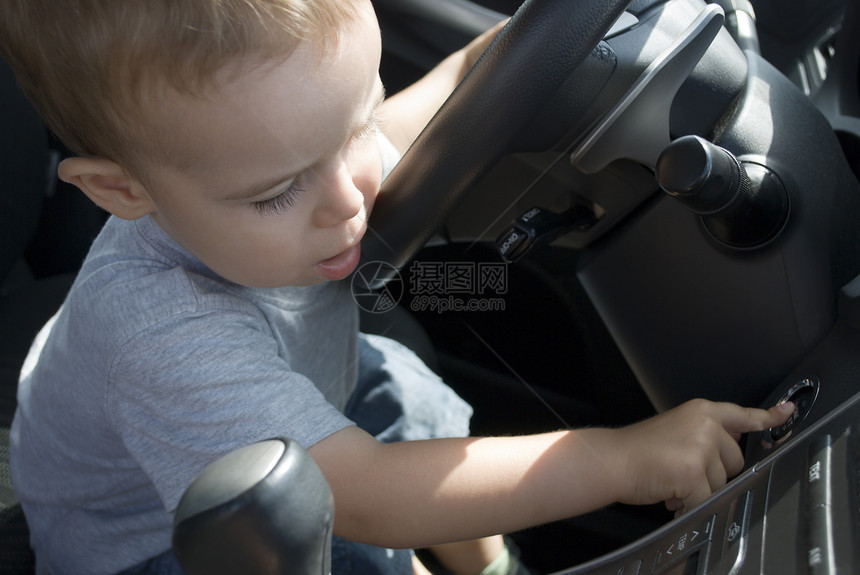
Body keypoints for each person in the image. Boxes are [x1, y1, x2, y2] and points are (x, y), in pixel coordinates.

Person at [0, 1, 794, 574]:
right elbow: (366, 495)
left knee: (409, 398)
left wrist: (555, 32)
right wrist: (624, 459)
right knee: (362, 543)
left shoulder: (280, 155)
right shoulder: (156, 333)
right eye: (277, 191)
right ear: (121, 190)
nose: (350, 197)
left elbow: (465, 84)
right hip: (167, 533)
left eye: (359, 126)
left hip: (304, 397)